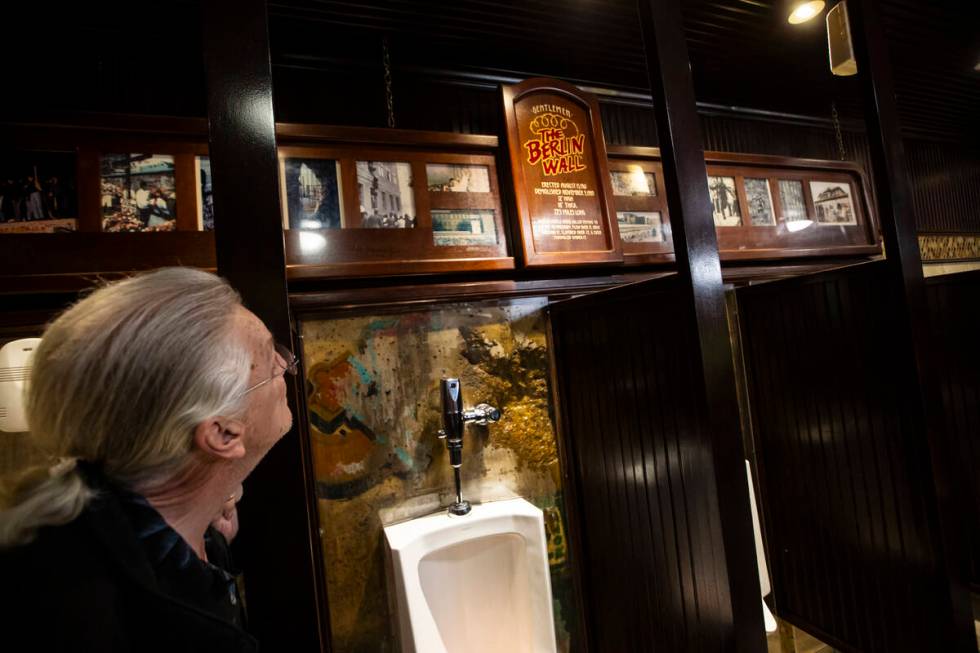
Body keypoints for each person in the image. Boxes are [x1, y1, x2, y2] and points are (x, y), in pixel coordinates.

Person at [0, 267, 296, 652]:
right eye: (267, 356)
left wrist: (207, 522)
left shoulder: (85, 519)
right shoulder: (142, 624)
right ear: (223, 434)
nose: (282, 364)